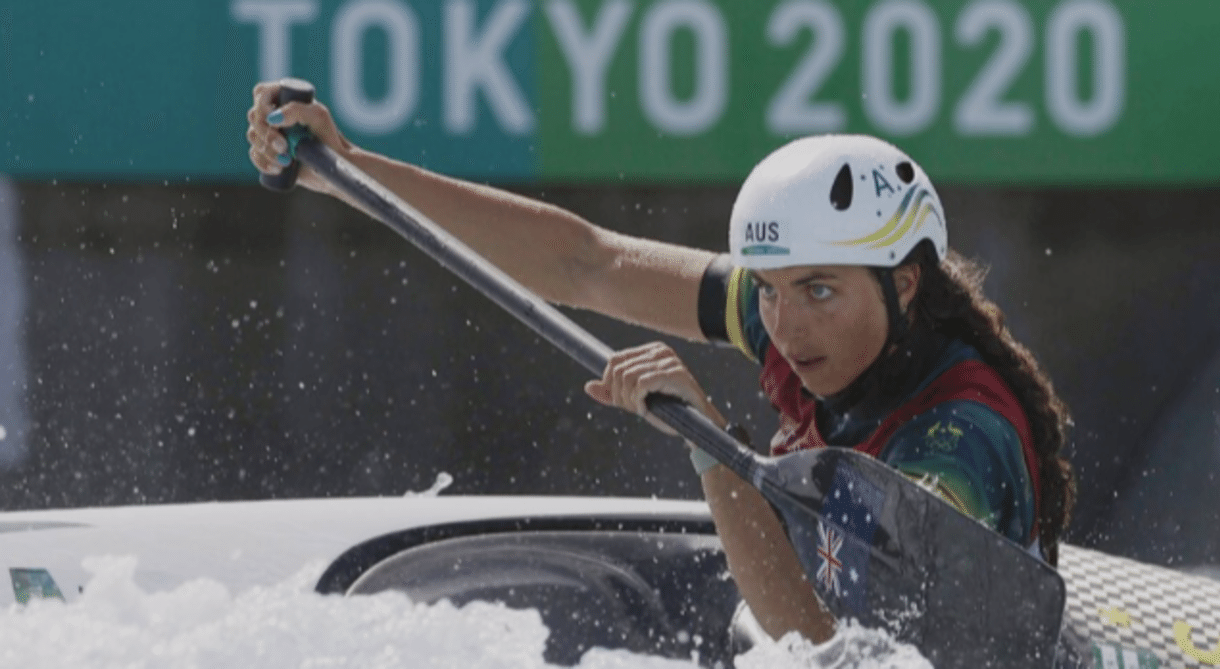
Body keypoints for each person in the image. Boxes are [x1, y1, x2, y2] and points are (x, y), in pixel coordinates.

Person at [246, 81, 1076, 646]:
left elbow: (819, 644)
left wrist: (710, 444)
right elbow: (587, 261)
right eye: (770, 290)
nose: (786, 327)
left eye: (817, 290)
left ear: (905, 283)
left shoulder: (958, 446)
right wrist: (351, 172)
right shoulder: (807, 315)